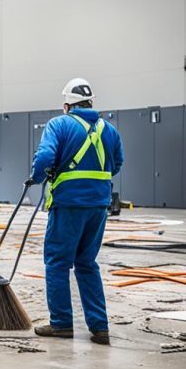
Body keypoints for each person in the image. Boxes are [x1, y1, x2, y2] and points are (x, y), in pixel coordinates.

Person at [28, 78, 124, 345]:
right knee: (87, 263)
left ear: (67, 104)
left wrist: (36, 177)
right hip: (98, 206)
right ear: (91, 102)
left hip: (68, 204)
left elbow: (45, 158)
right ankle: (100, 327)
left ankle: (61, 324)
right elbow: (116, 164)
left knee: (58, 263)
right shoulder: (110, 130)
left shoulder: (58, 124)